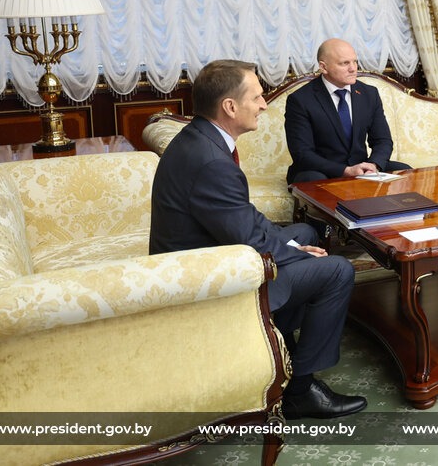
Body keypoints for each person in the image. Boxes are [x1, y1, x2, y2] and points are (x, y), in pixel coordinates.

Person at [149, 59, 367, 420]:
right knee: (337, 270)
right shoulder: (210, 161)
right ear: (230, 107)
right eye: (257, 97)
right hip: (206, 276)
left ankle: (279, 344)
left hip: (212, 249)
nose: (264, 105)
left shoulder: (200, 139)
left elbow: (240, 215)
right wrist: (300, 255)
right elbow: (246, 235)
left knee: (305, 233)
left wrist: (293, 247)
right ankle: (299, 391)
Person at [285, 38, 410, 183]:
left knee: (405, 170)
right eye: (344, 63)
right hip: (319, 170)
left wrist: (373, 165)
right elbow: (302, 154)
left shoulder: (369, 94)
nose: (353, 68)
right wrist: (345, 171)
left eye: (355, 62)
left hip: (360, 167)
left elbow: (383, 140)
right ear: (323, 67)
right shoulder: (300, 100)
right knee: (315, 180)